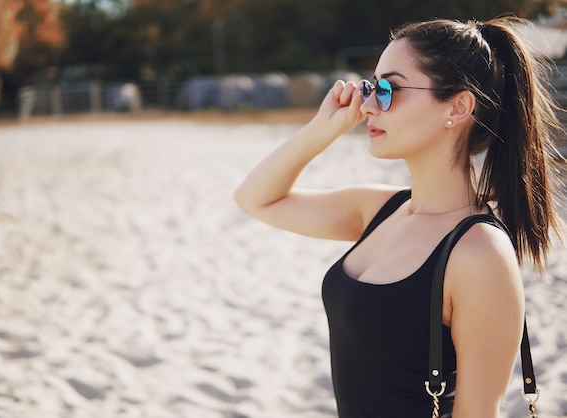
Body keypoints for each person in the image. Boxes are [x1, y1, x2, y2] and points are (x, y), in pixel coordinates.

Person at [233, 16, 565, 418]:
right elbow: (255, 199)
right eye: (371, 86)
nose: (369, 104)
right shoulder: (379, 209)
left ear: (458, 107)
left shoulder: (479, 253)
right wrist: (323, 128)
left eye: (389, 88)